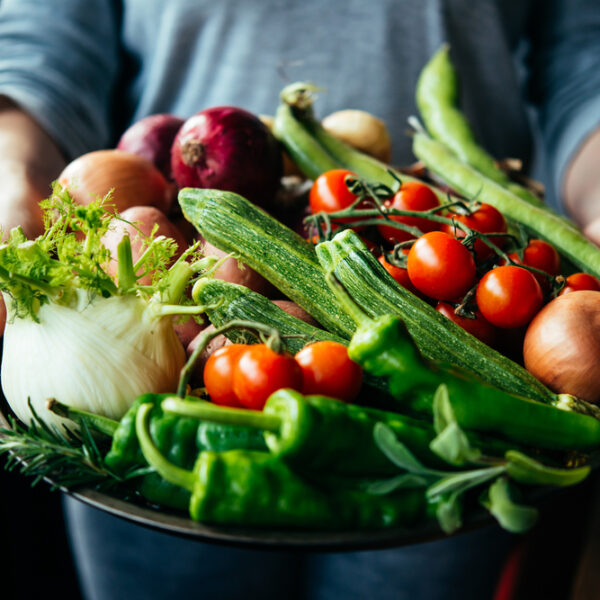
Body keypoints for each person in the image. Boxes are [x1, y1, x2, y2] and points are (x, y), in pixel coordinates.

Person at [0, 1, 599, 599]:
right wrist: (12, 176)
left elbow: (584, 53)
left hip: (466, 290)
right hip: (157, 340)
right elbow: (46, 35)